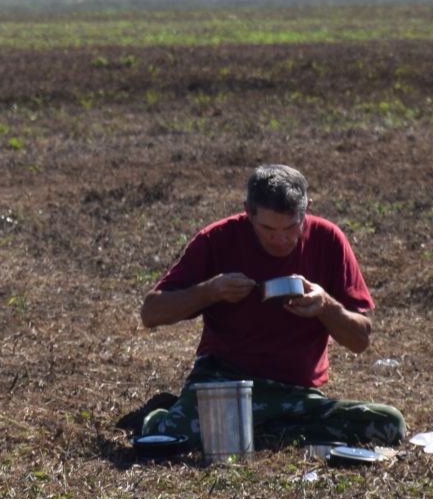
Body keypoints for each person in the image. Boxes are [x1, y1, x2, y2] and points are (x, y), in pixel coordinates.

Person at [136, 163, 406, 452]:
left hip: (296, 394)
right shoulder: (218, 239)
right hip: (226, 382)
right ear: (247, 212)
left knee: (389, 424)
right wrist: (211, 291)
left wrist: (326, 306)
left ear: (307, 209)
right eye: (267, 229)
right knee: (173, 440)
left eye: (291, 227)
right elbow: (151, 313)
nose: (280, 239)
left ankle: (256, 432)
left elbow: (360, 339)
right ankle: (162, 417)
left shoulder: (328, 240)